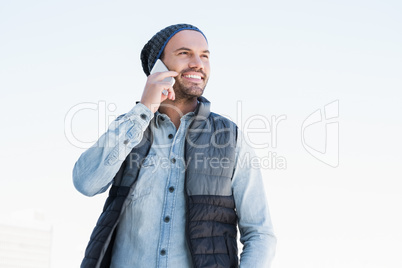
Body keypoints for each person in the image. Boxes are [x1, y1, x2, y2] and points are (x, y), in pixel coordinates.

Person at [73, 23, 276, 268]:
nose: (197, 63)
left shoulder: (230, 137)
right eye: (184, 53)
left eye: (204, 56)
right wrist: (143, 110)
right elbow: (86, 183)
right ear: (158, 67)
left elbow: (260, 233)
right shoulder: (129, 129)